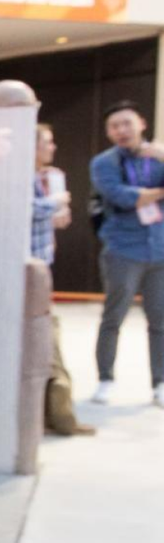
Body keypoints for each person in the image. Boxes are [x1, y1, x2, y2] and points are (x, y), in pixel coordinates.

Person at [86, 100, 164, 409]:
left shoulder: (159, 157)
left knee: (160, 320)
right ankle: (105, 379)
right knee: (113, 316)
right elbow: (119, 195)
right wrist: (156, 193)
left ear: (141, 123)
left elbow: (137, 197)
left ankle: (160, 383)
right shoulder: (103, 162)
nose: (121, 130)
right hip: (122, 249)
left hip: (160, 249)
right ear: (108, 132)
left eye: (126, 123)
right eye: (114, 126)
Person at [31, 123, 93, 434]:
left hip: (42, 268)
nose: (52, 147)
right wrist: (54, 202)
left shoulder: (46, 178)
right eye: (48, 142)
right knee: (46, 342)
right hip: (28, 273)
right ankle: (59, 416)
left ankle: (57, 414)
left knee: (48, 339)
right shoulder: (22, 177)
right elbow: (26, 208)